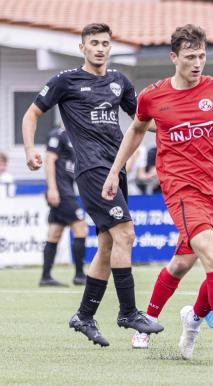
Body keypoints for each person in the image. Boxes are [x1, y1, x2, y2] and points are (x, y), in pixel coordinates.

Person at [103, 25, 213, 366]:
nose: (197, 63)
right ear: (174, 57)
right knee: (211, 256)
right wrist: (116, 170)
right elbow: (134, 131)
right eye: (190, 57)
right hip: (183, 190)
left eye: (202, 56)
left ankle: (192, 319)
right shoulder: (153, 96)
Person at [22, 23, 163, 348]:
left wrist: (178, 128)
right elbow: (31, 114)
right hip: (92, 171)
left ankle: (84, 315)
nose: (100, 48)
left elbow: (142, 122)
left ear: (110, 47)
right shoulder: (65, 80)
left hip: (117, 169)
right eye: (94, 43)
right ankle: (128, 311)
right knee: (125, 233)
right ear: (83, 48)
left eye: (105, 43)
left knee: (108, 245)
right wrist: (31, 149)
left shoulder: (119, 82)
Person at [39, 125, 88, 287]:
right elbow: (49, 160)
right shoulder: (58, 135)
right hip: (61, 192)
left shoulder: (75, 136)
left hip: (66, 190)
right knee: (81, 228)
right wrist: (52, 189)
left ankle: (46, 277)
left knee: (54, 232)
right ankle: (80, 275)